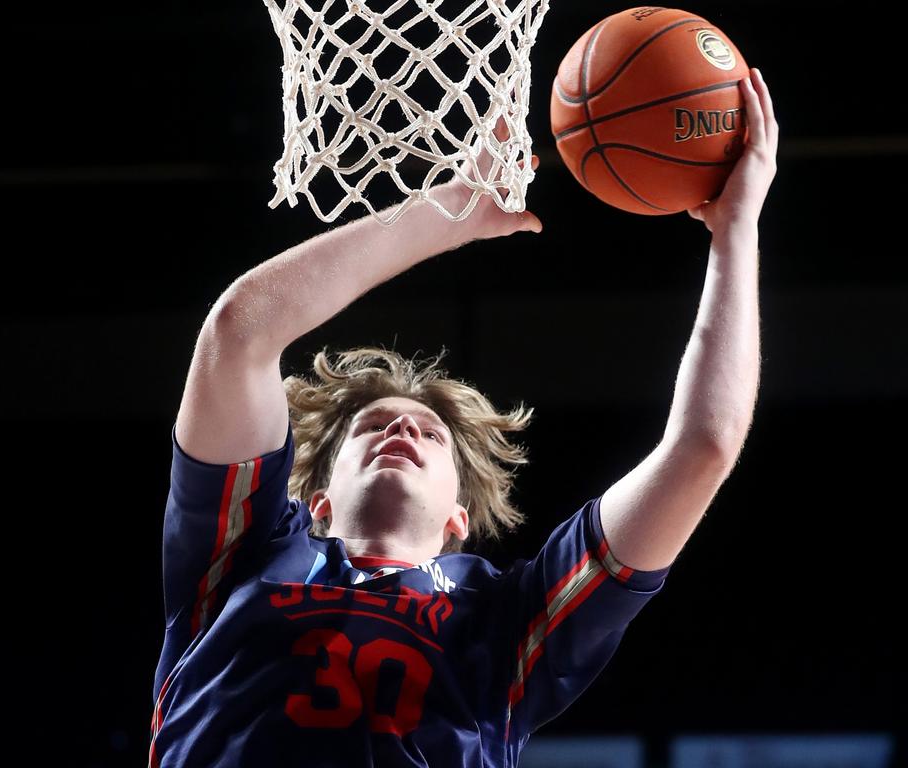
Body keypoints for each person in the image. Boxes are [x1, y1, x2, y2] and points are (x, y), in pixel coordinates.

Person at [147, 69, 778, 768]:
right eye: (373, 426)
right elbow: (239, 333)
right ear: (317, 498)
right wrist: (450, 210)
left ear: (459, 519)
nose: (402, 430)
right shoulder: (244, 558)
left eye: (429, 434)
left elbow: (703, 445)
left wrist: (736, 229)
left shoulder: (507, 619)